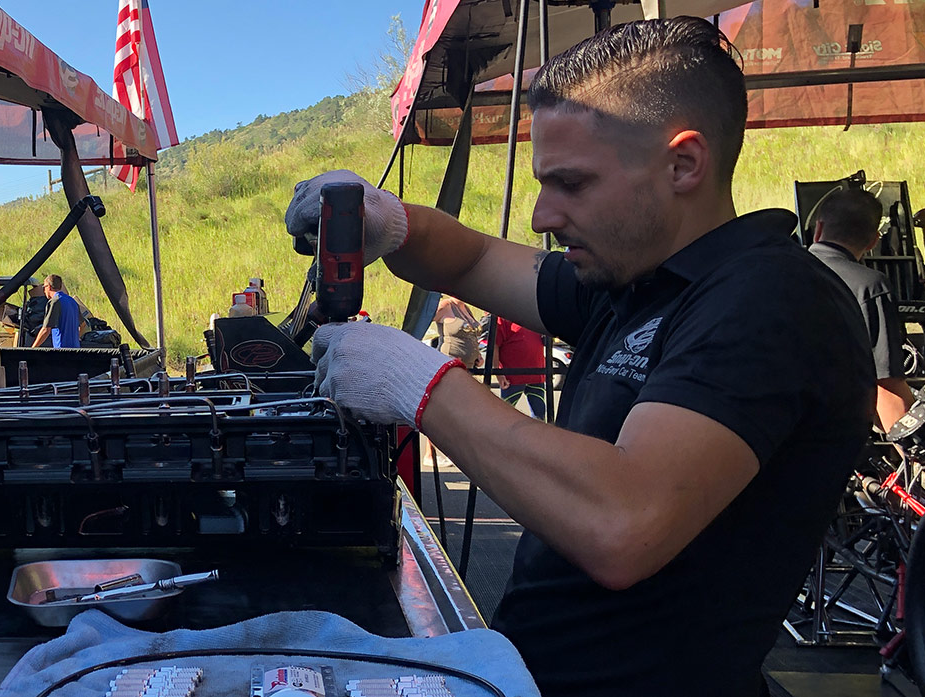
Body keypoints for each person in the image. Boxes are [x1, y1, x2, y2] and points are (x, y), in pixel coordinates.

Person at [286, 18, 870, 695]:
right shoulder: (632, 278)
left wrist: (417, 382)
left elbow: (622, 522)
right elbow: (474, 256)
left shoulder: (772, 299)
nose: (541, 214)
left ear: (684, 163)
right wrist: (386, 220)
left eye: (572, 183)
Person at [808, 187, 914, 429]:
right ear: (873, 241)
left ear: (818, 230)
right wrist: (919, 456)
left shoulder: (776, 273)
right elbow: (886, 383)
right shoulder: (869, 286)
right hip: (833, 435)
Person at [492, 315, 548, 419]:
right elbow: (494, 346)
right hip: (512, 377)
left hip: (537, 375)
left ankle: (535, 435)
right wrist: (498, 372)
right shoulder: (504, 317)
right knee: (504, 416)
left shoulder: (535, 316)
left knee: (540, 415)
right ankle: (499, 435)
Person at [31, 274, 82, 348]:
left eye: (44, 287)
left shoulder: (55, 302)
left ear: (48, 286)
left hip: (61, 350)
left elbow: (46, 330)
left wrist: (32, 349)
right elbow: (83, 325)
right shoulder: (72, 301)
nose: (44, 291)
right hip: (76, 350)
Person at [432, 295, 482, 368]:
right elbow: (423, 320)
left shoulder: (466, 308)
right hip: (449, 364)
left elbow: (471, 335)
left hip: (468, 366)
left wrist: (478, 355)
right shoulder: (445, 306)